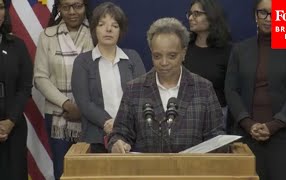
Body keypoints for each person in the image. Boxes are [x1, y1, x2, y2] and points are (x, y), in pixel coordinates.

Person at [107, 17, 224, 153]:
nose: (164, 62)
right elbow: (119, 133)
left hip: (192, 172)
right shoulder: (134, 89)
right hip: (147, 172)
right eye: (157, 56)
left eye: (172, 56)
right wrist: (117, 143)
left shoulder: (203, 88)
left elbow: (216, 136)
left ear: (184, 53)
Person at [224, 0, 286, 179]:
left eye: (276, 13)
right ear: (255, 15)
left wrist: (274, 125)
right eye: (263, 12)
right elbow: (231, 90)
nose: (269, 18)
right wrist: (248, 124)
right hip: (247, 135)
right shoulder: (240, 50)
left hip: (285, 138)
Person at [72, 2, 146, 153]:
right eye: (102, 24)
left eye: (115, 25)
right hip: (96, 138)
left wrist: (122, 125)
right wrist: (108, 123)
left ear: (121, 31)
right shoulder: (82, 61)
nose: (108, 29)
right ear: (94, 29)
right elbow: (84, 103)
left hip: (132, 137)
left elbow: (142, 96)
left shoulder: (133, 58)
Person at [33, 0, 93, 179]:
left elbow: (101, 77)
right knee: (62, 168)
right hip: (58, 114)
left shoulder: (96, 33)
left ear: (85, 7)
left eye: (77, 6)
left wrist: (82, 109)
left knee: (89, 168)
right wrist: (67, 104)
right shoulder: (47, 36)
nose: (72, 12)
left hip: (90, 115)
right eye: (66, 7)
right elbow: (40, 78)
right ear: (58, 8)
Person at [184, 0, 232, 129]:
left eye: (196, 14)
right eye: (189, 13)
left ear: (211, 16)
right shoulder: (183, 48)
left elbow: (233, 90)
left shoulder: (228, 51)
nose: (190, 18)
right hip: (184, 116)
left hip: (216, 116)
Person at [0, 0, 33, 179]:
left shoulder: (17, 45)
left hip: (13, 126)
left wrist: (10, 121)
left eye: (0, 7)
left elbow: (25, 86)